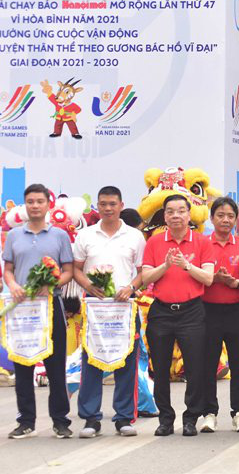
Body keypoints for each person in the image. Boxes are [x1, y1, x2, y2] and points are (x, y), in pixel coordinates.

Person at [72, 185, 146, 438]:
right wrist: (89, 286)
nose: (107, 208)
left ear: (121, 206)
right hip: (95, 310)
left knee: (126, 361)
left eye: (112, 204)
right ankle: (91, 418)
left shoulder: (135, 236)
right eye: (103, 204)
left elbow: (142, 272)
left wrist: (131, 287)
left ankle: (124, 417)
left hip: (124, 309)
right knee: (91, 361)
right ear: (98, 206)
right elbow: (76, 269)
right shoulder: (86, 235)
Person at [139, 194, 214, 436]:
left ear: (189, 214)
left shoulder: (202, 242)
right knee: (159, 368)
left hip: (192, 311)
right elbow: (146, 278)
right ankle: (166, 418)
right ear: (164, 215)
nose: (176, 216)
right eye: (170, 211)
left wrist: (186, 265)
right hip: (161, 311)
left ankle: (191, 417)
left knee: (194, 367)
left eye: (181, 211)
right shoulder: (155, 242)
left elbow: (208, 278)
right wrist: (166, 265)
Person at [3, 183, 75, 439]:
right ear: (25, 206)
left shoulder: (59, 236)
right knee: (23, 365)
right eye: (30, 201)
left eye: (39, 201)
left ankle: (61, 420)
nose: (35, 206)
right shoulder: (14, 235)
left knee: (55, 366)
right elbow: (8, 268)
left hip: (51, 306)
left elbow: (68, 271)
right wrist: (12, 285)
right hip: (23, 308)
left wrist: (51, 283)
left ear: (48, 205)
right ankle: (26, 421)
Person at [199, 196, 239, 434]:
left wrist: (235, 282)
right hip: (207, 310)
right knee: (207, 364)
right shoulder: (202, 244)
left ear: (236, 220)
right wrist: (214, 279)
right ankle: (209, 413)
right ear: (212, 218)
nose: (225, 220)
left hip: (235, 311)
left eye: (230, 216)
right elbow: (195, 276)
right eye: (220, 215)